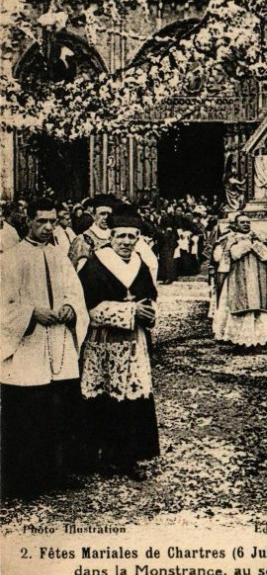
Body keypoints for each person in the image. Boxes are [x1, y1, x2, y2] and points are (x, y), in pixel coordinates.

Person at [0, 198, 89, 499]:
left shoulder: (59, 256)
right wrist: (31, 313)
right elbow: (3, 306)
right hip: (27, 347)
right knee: (27, 415)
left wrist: (70, 308)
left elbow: (76, 294)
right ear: (28, 221)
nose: (48, 227)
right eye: (41, 221)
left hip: (59, 343)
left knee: (59, 411)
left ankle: (58, 472)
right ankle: (24, 480)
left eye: (52, 221)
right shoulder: (11, 258)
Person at [78, 205, 160, 480]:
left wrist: (149, 313)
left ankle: (132, 457)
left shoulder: (140, 264)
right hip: (103, 342)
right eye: (121, 236)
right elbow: (86, 308)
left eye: (132, 236)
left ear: (138, 238)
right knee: (104, 398)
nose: (126, 242)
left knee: (133, 398)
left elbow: (151, 297)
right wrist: (130, 311)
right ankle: (103, 457)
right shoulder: (95, 264)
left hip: (134, 343)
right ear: (111, 237)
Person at [213, 212, 267, 349]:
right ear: (236, 225)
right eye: (242, 222)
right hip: (237, 277)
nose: (246, 224)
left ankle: (257, 336)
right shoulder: (230, 238)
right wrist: (247, 244)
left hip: (257, 277)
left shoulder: (257, 238)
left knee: (256, 304)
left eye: (248, 222)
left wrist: (255, 244)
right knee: (239, 305)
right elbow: (233, 255)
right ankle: (238, 337)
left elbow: (266, 256)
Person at [68, 194, 114, 270]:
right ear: (93, 215)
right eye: (102, 214)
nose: (106, 217)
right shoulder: (82, 240)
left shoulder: (116, 237)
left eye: (109, 214)